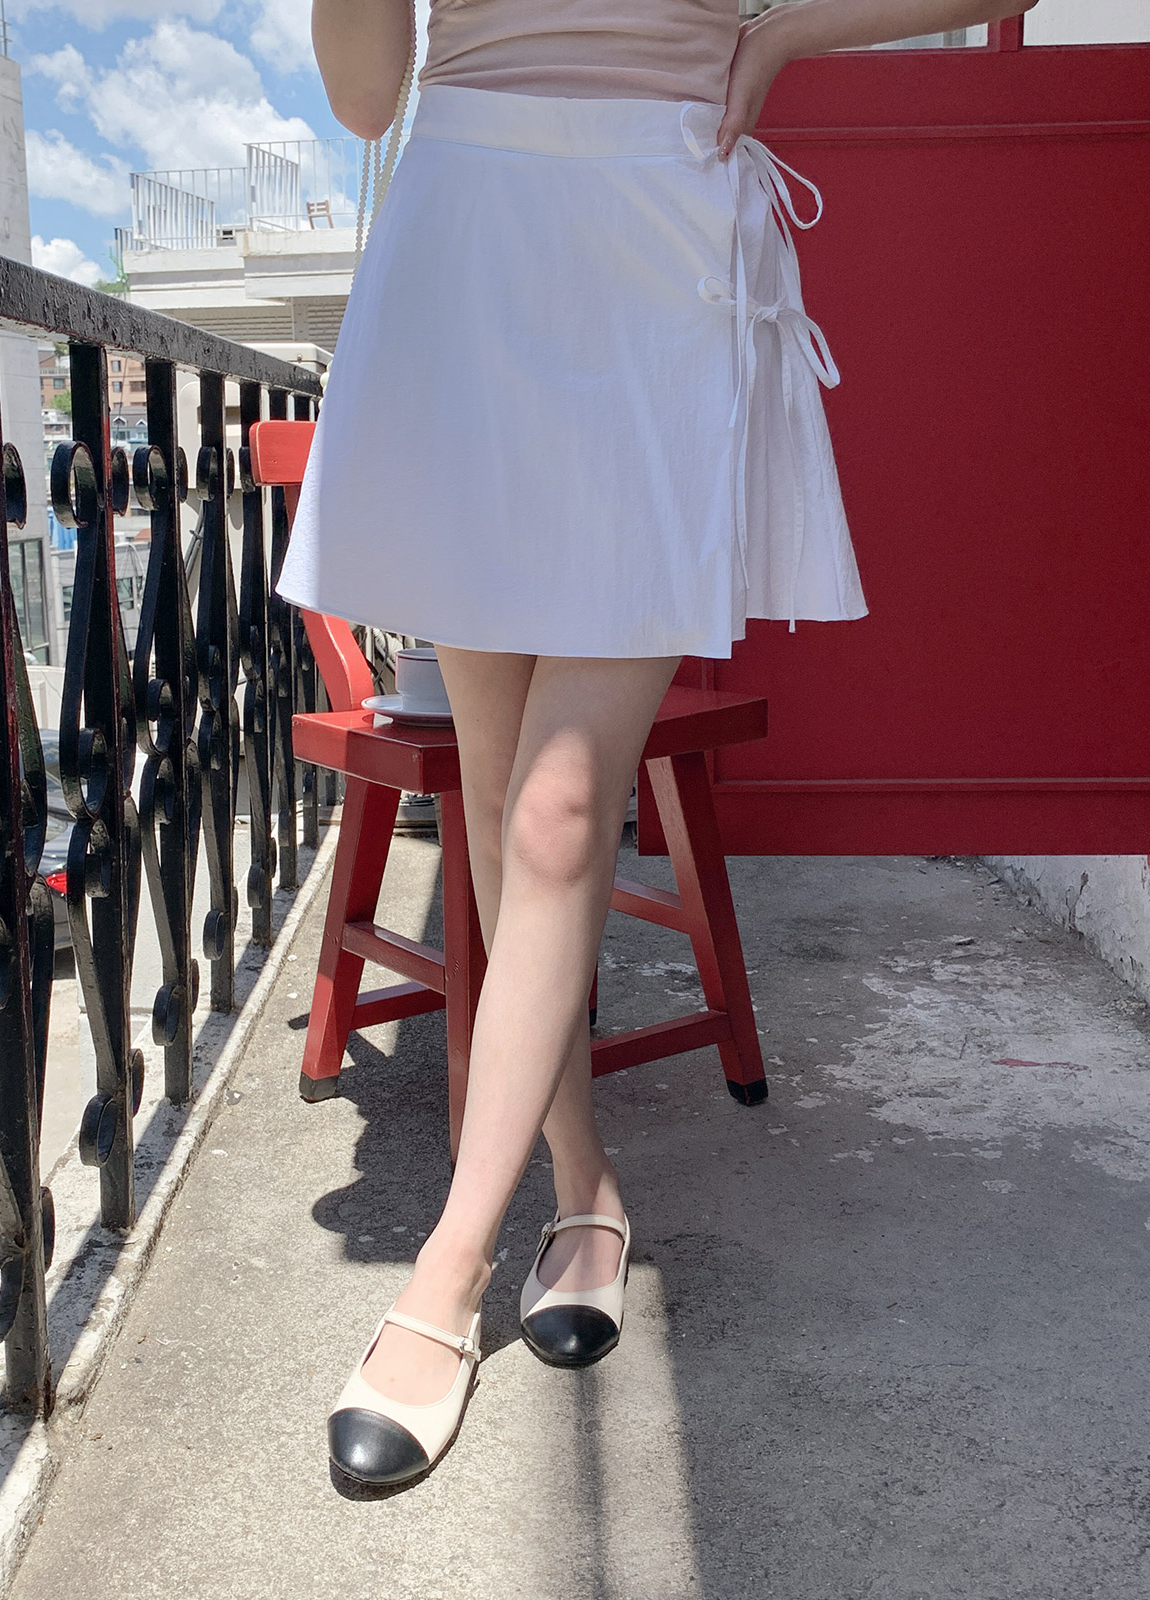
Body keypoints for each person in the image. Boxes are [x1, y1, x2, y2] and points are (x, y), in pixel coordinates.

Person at [276, 0, 1038, 1490]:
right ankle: (584, 1189)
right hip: (472, 230)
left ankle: (446, 1273)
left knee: (561, 808)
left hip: (659, 233)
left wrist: (787, 32)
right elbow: (367, 97)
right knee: (502, 800)